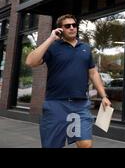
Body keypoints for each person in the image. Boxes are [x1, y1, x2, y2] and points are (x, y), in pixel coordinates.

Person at [26, 14, 111, 148]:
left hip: (80, 105)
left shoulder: (85, 48)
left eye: (74, 25)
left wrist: (104, 96)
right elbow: (30, 61)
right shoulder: (53, 47)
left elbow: (93, 73)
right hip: (56, 104)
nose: (72, 28)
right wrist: (51, 38)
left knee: (85, 144)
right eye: (67, 26)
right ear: (60, 29)